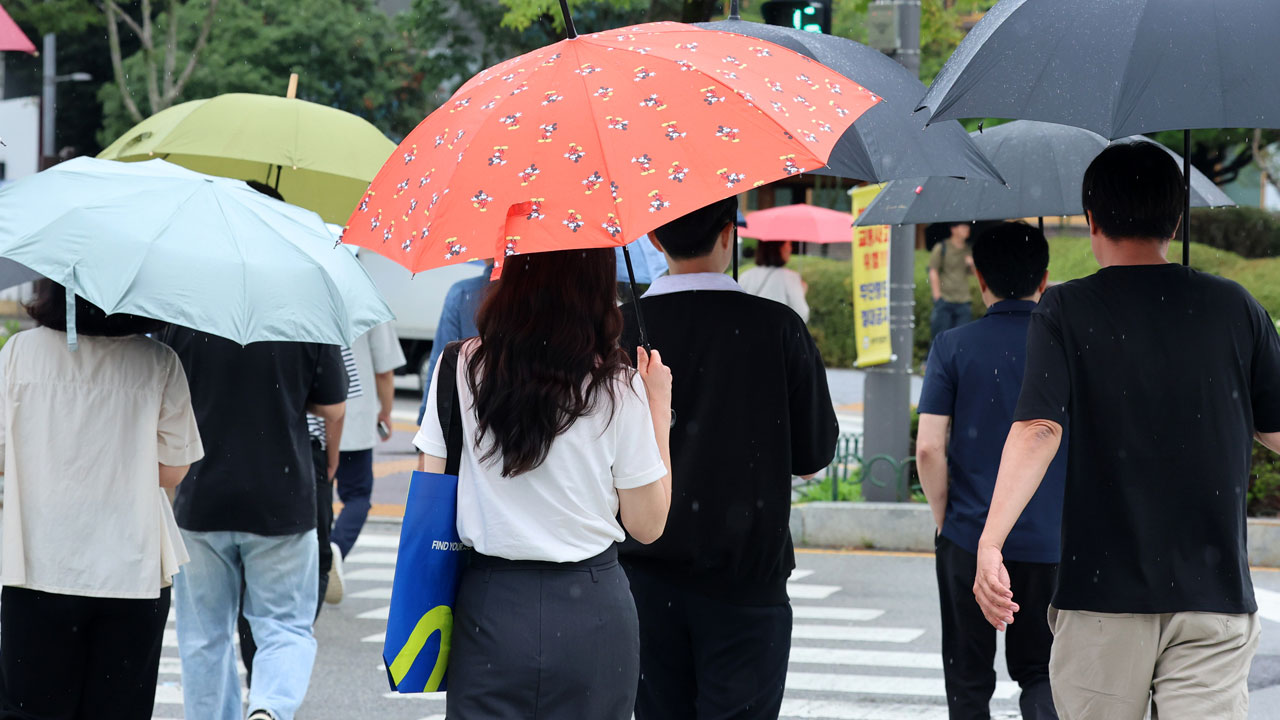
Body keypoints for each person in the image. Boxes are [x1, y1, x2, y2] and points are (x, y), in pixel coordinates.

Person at [974, 142, 1280, 719]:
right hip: (1214, 595)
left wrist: (991, 543)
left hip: (1102, 595)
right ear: (1177, 219)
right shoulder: (1235, 306)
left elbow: (1040, 428)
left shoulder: (1066, 308)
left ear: (1090, 220)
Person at [414, 248, 672, 719]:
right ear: (598, 286)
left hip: (489, 608)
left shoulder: (461, 367)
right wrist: (657, 407)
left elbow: (433, 486)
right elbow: (648, 524)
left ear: (513, 275)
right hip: (593, 609)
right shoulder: (618, 386)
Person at [619, 196, 839, 720]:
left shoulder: (623, 332)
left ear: (652, 239)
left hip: (642, 580)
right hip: (748, 582)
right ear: (728, 235)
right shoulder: (778, 327)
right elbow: (813, 455)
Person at [0, 280, 203, 718]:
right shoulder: (158, 362)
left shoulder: (18, 353)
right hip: (131, 568)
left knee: (32, 710)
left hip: (39, 565)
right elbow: (174, 468)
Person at [916, 222, 1064, 720]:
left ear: (979, 277)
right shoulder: (1066, 347)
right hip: (1051, 541)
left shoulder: (953, 346)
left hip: (969, 536)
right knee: (1043, 674)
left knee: (967, 680)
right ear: (1044, 279)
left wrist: (946, 520)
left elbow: (929, 450)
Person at [165, 327, 347, 720]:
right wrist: (330, 460)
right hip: (280, 495)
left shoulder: (184, 306)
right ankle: (269, 708)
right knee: (283, 626)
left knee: (203, 636)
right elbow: (333, 408)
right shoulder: (306, 310)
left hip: (201, 493)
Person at [327, 322, 404, 603]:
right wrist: (386, 410)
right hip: (355, 419)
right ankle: (335, 547)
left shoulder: (308, 287)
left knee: (316, 493)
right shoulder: (367, 302)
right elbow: (384, 369)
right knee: (357, 495)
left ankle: (317, 557)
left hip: (314, 416)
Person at [416, 261, 492, 425]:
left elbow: (442, 362)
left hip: (473, 417)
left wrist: (425, 419)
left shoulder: (463, 294)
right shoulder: (543, 297)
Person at [739, 240, 810, 322]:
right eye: (789, 244)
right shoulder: (790, 278)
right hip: (777, 332)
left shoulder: (745, 276)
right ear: (779, 248)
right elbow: (802, 315)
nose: (791, 249)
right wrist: (802, 292)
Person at [928, 221, 975, 340]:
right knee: (941, 339)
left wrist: (972, 263)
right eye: (963, 226)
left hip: (963, 302)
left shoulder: (968, 249)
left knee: (961, 341)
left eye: (968, 226)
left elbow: (975, 274)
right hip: (944, 300)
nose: (967, 229)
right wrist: (937, 297)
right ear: (953, 229)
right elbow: (933, 270)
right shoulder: (942, 247)